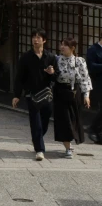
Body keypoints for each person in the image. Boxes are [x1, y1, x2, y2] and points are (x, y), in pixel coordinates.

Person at [12, 29, 57, 161]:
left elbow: (57, 77)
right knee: (35, 121)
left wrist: (52, 73)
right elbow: (19, 77)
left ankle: (37, 139)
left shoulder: (50, 57)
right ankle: (40, 149)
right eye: (34, 37)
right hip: (31, 94)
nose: (35, 40)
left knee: (45, 119)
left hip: (47, 94)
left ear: (44, 40)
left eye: (38, 37)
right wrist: (17, 95)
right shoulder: (26, 57)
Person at [54, 37, 92, 158]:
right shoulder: (56, 60)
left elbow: (85, 79)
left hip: (74, 93)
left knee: (74, 119)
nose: (62, 47)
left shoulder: (79, 61)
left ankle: (70, 142)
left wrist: (86, 95)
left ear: (72, 48)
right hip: (60, 92)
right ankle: (68, 147)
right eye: (61, 45)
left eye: (65, 45)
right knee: (64, 120)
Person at [87, 32, 102, 143]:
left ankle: (97, 131)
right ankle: (93, 128)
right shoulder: (93, 50)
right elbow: (91, 66)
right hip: (98, 83)